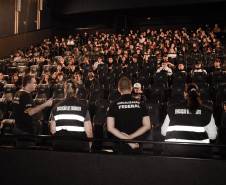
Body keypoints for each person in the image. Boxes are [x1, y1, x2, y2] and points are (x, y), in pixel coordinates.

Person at [107, 76, 151, 153]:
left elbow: (110, 128)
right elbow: (147, 126)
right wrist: (131, 138)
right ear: (131, 88)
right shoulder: (141, 104)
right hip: (136, 145)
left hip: (119, 147)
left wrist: (128, 139)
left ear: (118, 89)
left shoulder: (113, 105)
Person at [49, 83, 93, 151]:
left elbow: (52, 130)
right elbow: (89, 131)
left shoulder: (55, 107)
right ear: (76, 91)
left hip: (60, 147)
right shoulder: (83, 108)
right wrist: (89, 146)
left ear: (64, 90)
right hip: (79, 147)